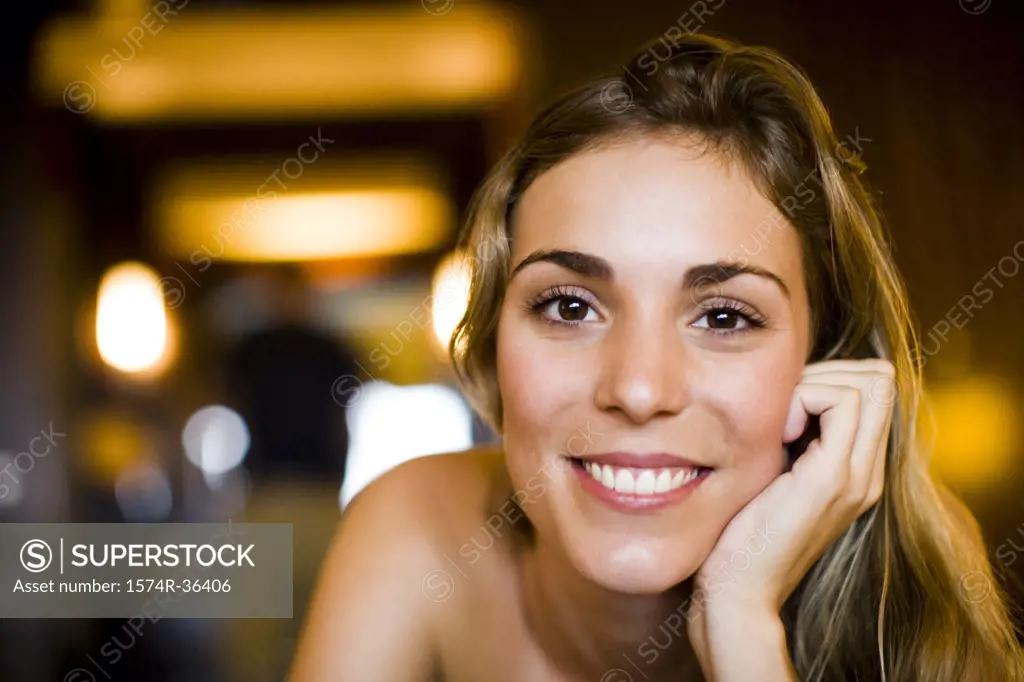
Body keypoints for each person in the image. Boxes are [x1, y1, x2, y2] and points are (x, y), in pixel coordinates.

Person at [286, 33, 1023, 681]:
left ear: (820, 360)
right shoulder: (416, 522)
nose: (638, 390)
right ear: (492, 342)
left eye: (725, 316)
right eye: (570, 307)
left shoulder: (912, 563)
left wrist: (742, 631)